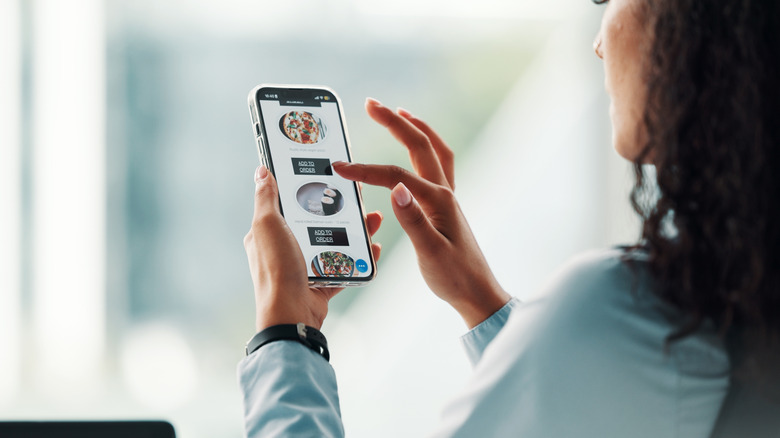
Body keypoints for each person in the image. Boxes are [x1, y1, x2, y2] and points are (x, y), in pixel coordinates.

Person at [239, 0, 780, 436]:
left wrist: (287, 335)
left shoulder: (631, 307)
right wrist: (482, 302)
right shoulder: (736, 297)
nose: (597, 41)